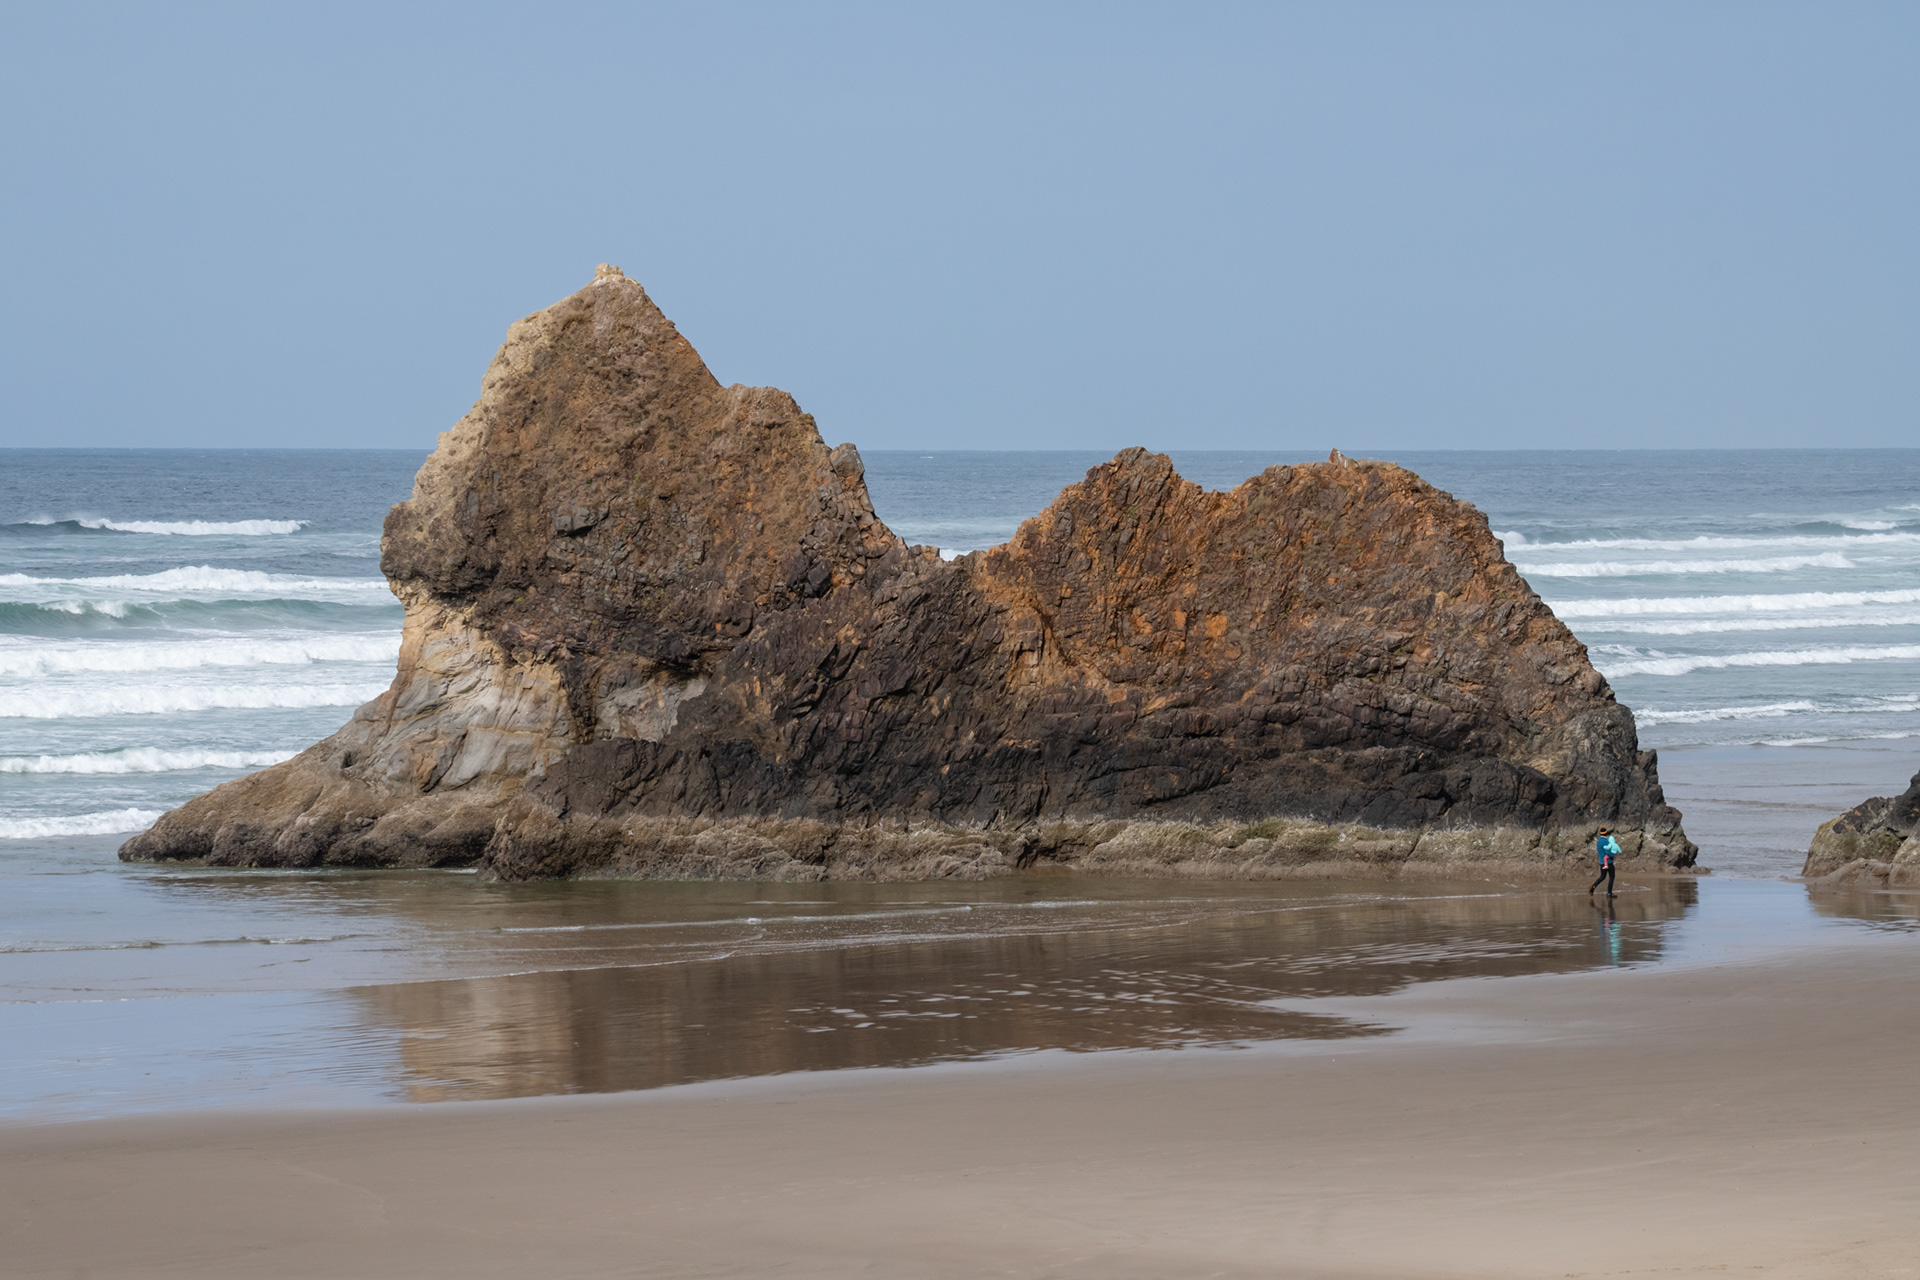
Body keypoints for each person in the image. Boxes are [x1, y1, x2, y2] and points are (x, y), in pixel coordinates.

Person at [1589, 826, 1621, 896]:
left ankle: (1593, 887)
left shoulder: (1598, 842)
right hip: (1608, 862)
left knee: (1602, 876)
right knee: (1612, 876)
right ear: (1606, 834)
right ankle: (1609, 892)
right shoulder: (1606, 841)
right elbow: (1608, 851)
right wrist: (1613, 856)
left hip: (1601, 862)